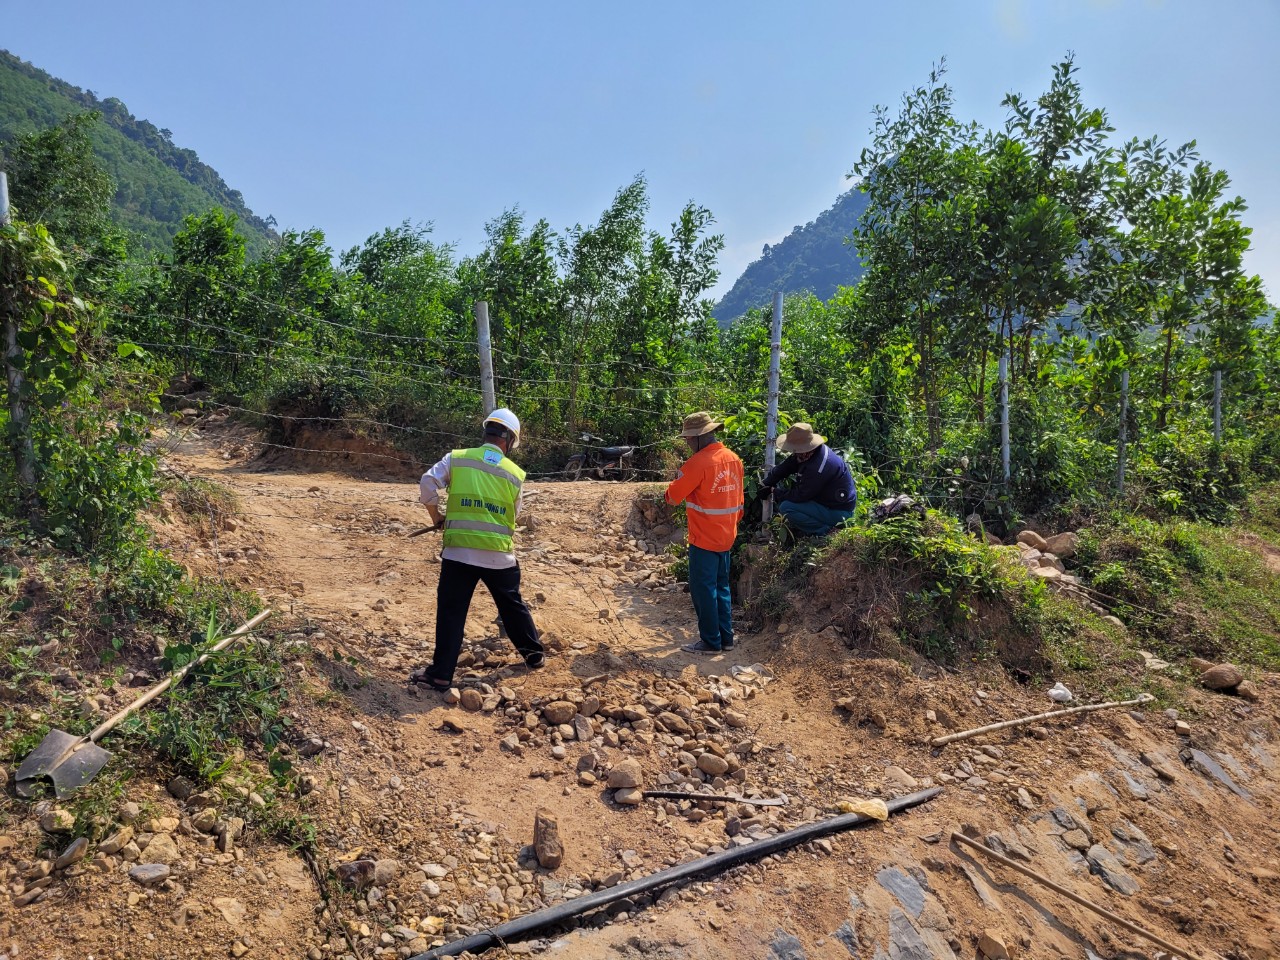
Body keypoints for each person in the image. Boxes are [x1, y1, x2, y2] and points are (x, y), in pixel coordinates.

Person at [410, 408, 545, 690]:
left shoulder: (457, 459)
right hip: (498, 554)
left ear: (487, 432)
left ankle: (441, 673)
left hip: (459, 552)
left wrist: (437, 518)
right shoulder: (515, 474)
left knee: (451, 610)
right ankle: (533, 656)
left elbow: (427, 483)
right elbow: (514, 513)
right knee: (512, 605)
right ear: (509, 440)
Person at [664, 411, 744, 655]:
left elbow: (672, 497)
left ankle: (710, 641)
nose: (687, 443)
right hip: (727, 536)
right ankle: (726, 638)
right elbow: (738, 502)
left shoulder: (697, 464)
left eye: (688, 438)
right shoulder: (733, 459)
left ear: (699, 437)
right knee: (722, 588)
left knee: (704, 590)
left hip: (704, 538)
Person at [760, 423, 856, 536]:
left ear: (804, 450)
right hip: (827, 503)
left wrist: (774, 491)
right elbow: (789, 465)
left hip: (839, 512)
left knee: (787, 507)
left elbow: (800, 495)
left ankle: (827, 531)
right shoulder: (813, 452)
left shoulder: (818, 467)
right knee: (790, 503)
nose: (793, 452)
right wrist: (768, 481)